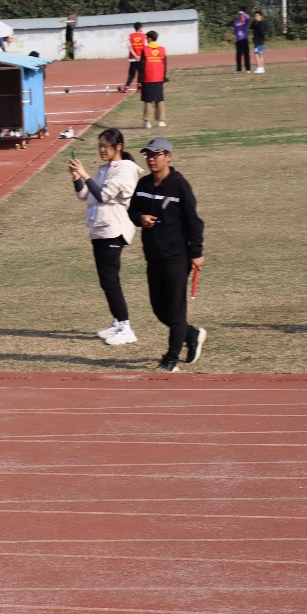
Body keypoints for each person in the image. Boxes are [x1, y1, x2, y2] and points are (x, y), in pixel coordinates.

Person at [127, 137, 206, 373]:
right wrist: (140, 218)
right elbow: (132, 210)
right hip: (153, 256)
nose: (151, 159)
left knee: (176, 309)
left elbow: (194, 221)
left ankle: (171, 358)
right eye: (148, 155)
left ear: (168, 156)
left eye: (156, 155)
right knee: (160, 310)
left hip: (177, 257)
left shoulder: (180, 186)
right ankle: (192, 334)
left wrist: (196, 252)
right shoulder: (143, 185)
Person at [68, 128, 145, 346]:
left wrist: (85, 174)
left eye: (106, 146)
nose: (101, 150)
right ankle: (118, 322)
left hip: (114, 230)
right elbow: (85, 194)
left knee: (111, 280)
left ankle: (126, 327)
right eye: (99, 145)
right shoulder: (105, 169)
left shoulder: (125, 170)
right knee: (106, 280)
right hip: (100, 229)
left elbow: (103, 195)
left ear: (118, 147)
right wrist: (76, 178)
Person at [139, 30, 167, 129]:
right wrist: (164, 78)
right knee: (159, 99)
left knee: (148, 100)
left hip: (148, 77)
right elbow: (165, 65)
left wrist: (139, 80)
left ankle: (147, 122)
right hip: (159, 77)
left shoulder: (145, 50)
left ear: (150, 39)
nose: (146, 40)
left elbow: (141, 66)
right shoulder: (162, 50)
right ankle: (161, 121)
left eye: (147, 38)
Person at [122, 22, 145, 91]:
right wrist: (139, 56)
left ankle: (127, 87)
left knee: (131, 74)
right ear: (140, 28)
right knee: (141, 73)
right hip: (141, 58)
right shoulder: (144, 36)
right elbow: (145, 47)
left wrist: (135, 55)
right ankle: (139, 88)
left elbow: (129, 46)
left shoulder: (130, 36)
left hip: (133, 58)